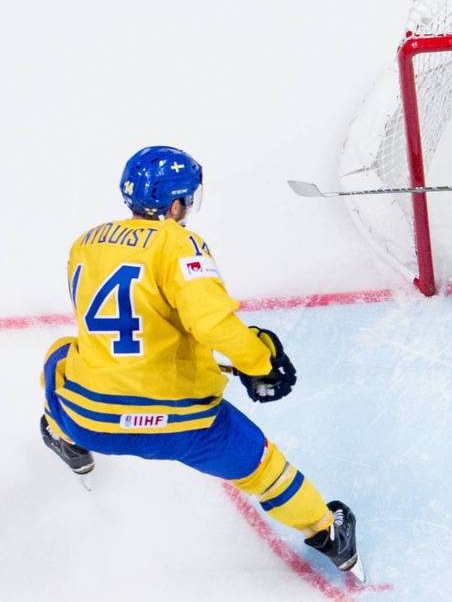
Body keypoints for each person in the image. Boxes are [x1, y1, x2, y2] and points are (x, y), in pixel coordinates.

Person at [38, 146, 363, 580]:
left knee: (60, 354)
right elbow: (212, 324)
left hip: (89, 419)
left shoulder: (85, 242)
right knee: (266, 469)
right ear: (175, 204)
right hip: (183, 426)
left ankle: (61, 434)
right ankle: (328, 534)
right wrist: (259, 361)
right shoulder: (177, 242)